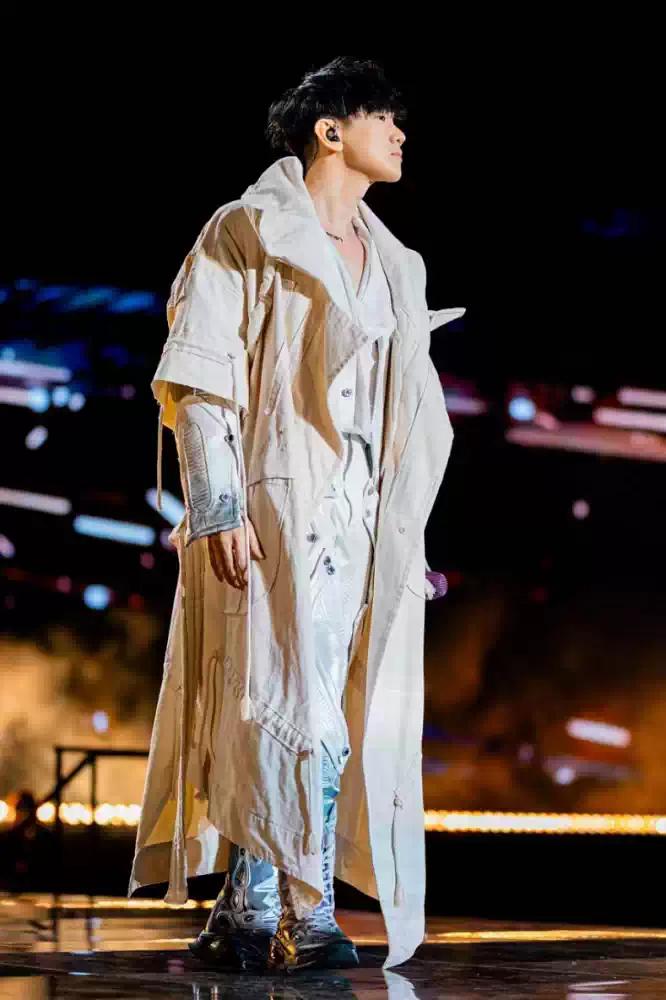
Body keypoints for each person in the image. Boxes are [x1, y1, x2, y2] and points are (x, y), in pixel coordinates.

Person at [129, 56, 463, 972]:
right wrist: (218, 506)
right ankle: (298, 917)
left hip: (358, 517)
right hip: (275, 505)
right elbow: (201, 379)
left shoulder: (395, 265)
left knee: (328, 710)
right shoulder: (245, 230)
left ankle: (251, 911)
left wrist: (406, 541)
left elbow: (405, 419)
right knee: (285, 705)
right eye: (383, 116)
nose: (399, 133)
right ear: (330, 129)